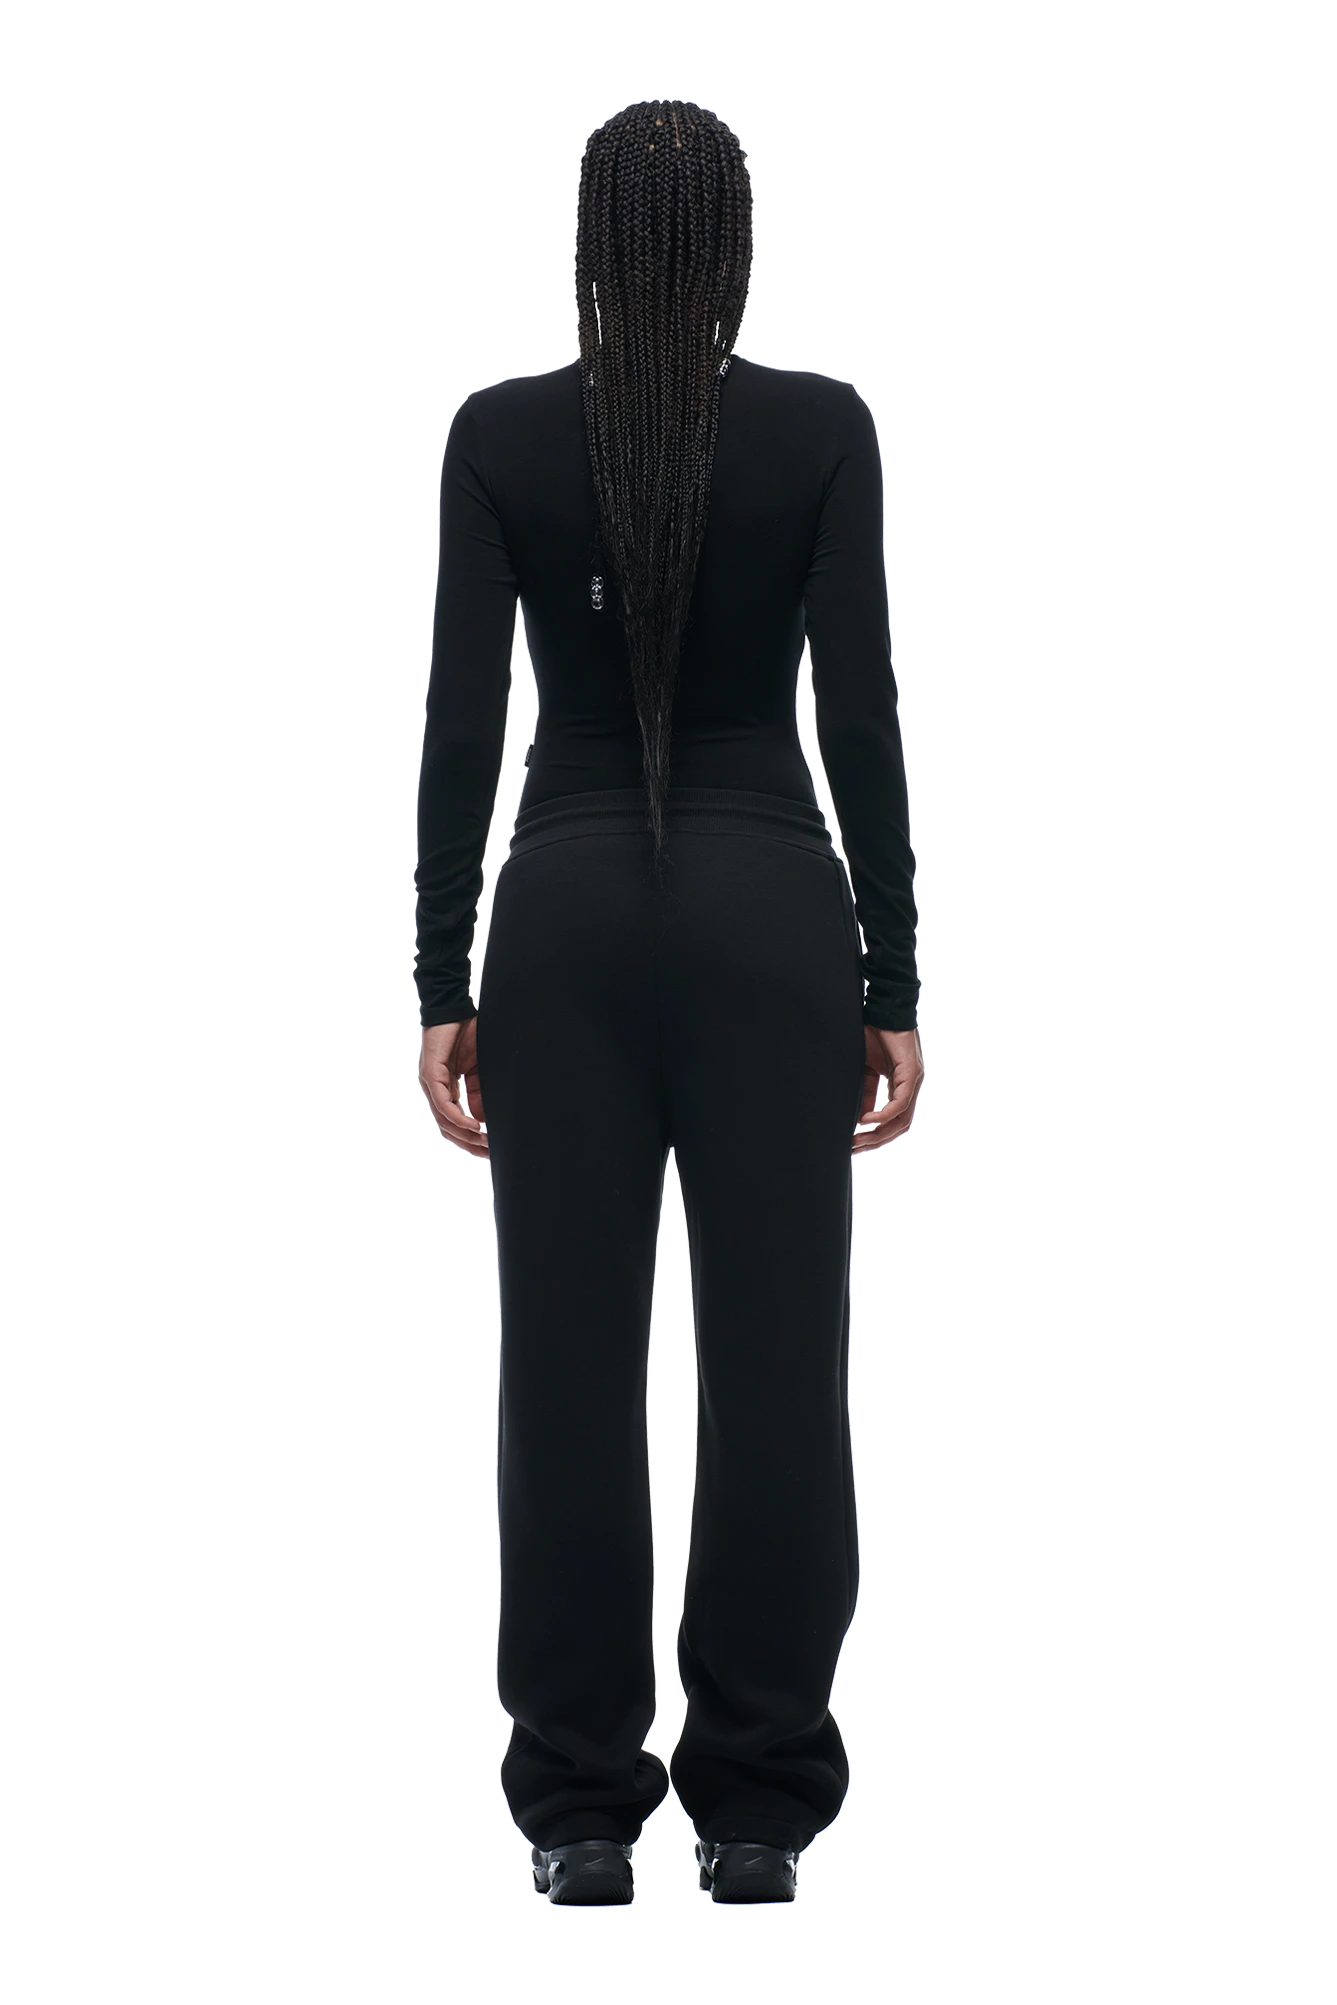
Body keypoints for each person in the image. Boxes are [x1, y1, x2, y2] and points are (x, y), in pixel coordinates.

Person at [414, 97, 922, 1908]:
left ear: (587, 242)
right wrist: (894, 978)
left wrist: (440, 979)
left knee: (562, 1372)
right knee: (781, 1369)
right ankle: (759, 1808)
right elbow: (857, 717)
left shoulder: (498, 435)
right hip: (773, 915)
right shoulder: (822, 427)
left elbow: (462, 732)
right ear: (737, 247)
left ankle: (574, 1812)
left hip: (560, 919)